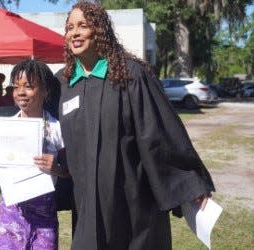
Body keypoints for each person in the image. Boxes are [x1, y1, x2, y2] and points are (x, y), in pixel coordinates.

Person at [55, 2, 215, 249]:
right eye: (69, 28)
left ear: (99, 31)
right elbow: (47, 130)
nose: (74, 33)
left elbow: (159, 133)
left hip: (133, 199)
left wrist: (189, 181)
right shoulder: (64, 84)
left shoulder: (129, 75)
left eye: (82, 26)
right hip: (87, 202)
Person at [0, 59, 69, 250]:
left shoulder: (58, 129)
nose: (21, 93)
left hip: (44, 213)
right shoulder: (3, 129)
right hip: (12, 211)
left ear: (46, 90)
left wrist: (56, 169)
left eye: (29, 86)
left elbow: (70, 171)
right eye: (16, 87)